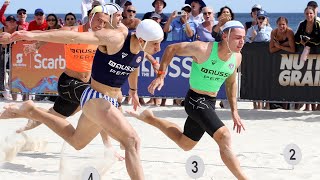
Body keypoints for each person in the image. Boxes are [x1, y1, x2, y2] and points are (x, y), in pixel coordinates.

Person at [6, 10, 164, 179]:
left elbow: (134, 65)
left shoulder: (140, 49)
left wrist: (133, 91)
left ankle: (33, 111)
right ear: (141, 39)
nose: (159, 48)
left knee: (77, 142)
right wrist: (29, 35)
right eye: (156, 44)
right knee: (132, 141)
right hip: (97, 100)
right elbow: (72, 37)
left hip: (105, 103)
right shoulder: (116, 39)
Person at [128, 20, 248, 180]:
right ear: (225, 36)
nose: (242, 42)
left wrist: (235, 111)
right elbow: (171, 48)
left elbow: (231, 82)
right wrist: (161, 74)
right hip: (195, 100)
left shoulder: (237, 57)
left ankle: (150, 118)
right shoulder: (203, 48)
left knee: (185, 143)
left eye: (244, 38)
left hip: (210, 103)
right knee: (224, 136)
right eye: (237, 38)